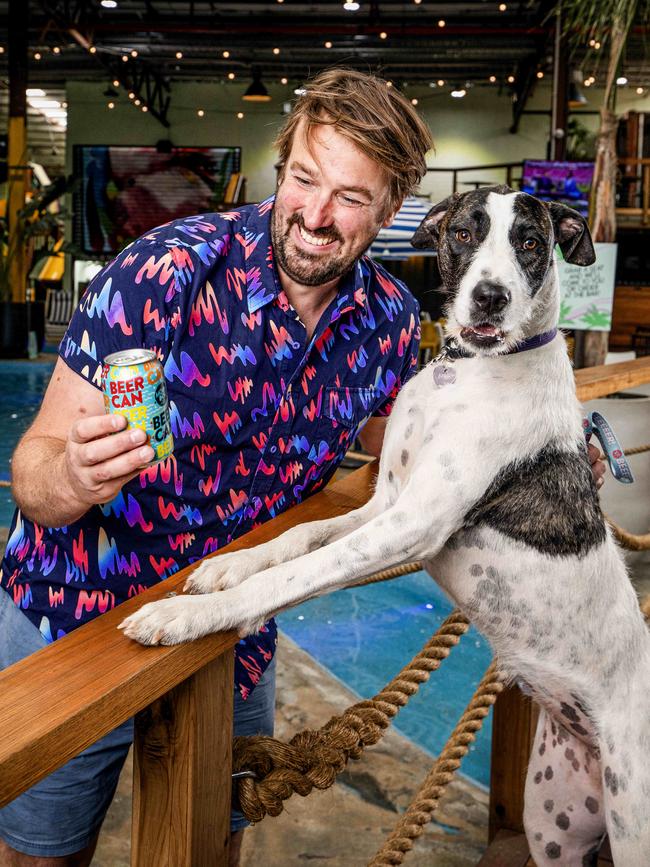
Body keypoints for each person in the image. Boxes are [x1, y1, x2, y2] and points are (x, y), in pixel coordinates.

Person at [0, 68, 434, 867]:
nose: (315, 214)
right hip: (70, 617)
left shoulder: (390, 324)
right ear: (282, 164)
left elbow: (404, 452)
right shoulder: (163, 272)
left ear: (392, 206)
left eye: (350, 196)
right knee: (40, 854)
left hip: (231, 632)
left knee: (204, 849)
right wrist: (74, 478)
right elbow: (33, 471)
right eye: (304, 178)